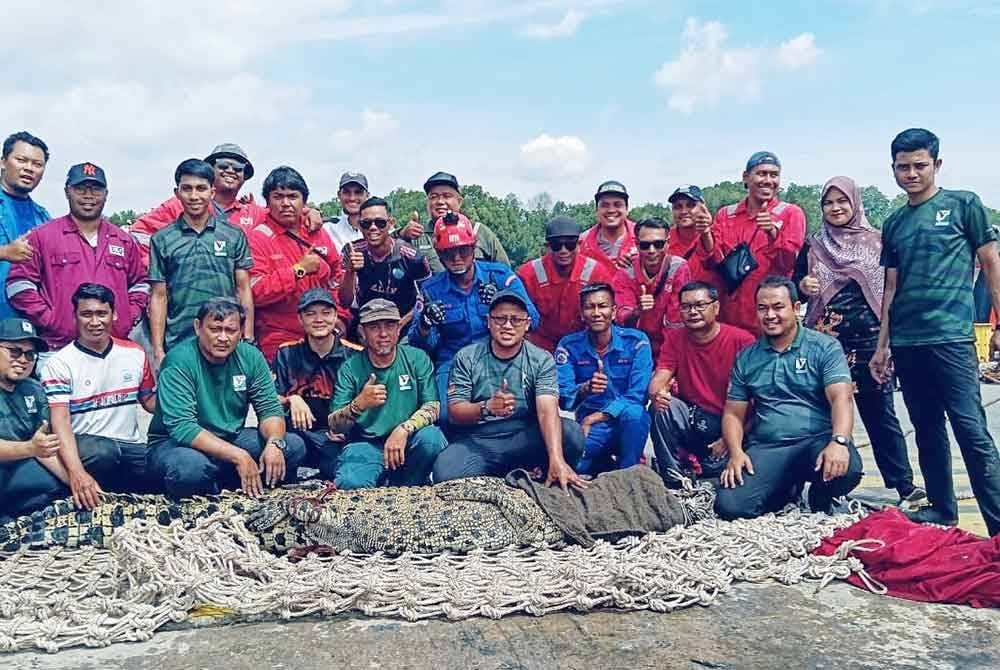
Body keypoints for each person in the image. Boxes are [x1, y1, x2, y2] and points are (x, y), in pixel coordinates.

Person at [871, 128, 1000, 535]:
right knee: (926, 428)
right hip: (908, 342)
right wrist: (882, 346)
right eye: (903, 167)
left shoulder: (964, 205)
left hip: (952, 338)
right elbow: (890, 288)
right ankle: (943, 508)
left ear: (937, 165)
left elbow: (991, 265)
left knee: (970, 429)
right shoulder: (893, 224)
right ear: (893, 169)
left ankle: (997, 522)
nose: (911, 173)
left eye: (919, 166)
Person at [794, 176, 922, 506]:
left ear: (855, 204)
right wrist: (803, 285)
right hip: (824, 341)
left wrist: (889, 343)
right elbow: (794, 285)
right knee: (820, 414)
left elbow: (893, 290)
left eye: (842, 201)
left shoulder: (878, 242)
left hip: (870, 342)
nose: (835, 208)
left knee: (880, 414)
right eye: (828, 202)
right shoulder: (813, 245)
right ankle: (820, 486)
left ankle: (904, 486)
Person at [715, 277, 863, 520]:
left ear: (795, 309)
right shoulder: (747, 357)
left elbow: (842, 399)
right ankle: (785, 489)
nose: (770, 315)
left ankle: (821, 495)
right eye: (763, 308)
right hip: (769, 446)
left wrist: (839, 442)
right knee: (731, 507)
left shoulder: (824, 347)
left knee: (847, 471)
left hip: (816, 441)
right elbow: (733, 413)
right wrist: (736, 452)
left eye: (778, 307)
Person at [147, 298, 306, 498]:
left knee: (292, 446)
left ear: (240, 332)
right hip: (176, 444)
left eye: (230, 331)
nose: (223, 338)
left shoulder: (251, 356)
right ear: (198, 327)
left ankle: (239, 485)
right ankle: (212, 487)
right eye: (215, 329)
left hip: (230, 437)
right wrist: (238, 455)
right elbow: (182, 427)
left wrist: (275, 442)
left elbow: (270, 409)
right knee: (189, 469)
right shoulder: (179, 360)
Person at [432, 290, 586, 490]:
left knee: (572, 433)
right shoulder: (466, 357)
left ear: (527, 324)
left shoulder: (541, 359)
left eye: (515, 320)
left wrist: (556, 457)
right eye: (500, 319)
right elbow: (455, 412)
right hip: (479, 439)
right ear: (488, 321)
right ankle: (508, 475)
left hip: (524, 435)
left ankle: (550, 470)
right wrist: (486, 407)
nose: (507, 326)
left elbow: (547, 410)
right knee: (445, 472)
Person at [6, 162, 148, 355]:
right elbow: (18, 284)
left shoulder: (124, 240)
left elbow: (141, 284)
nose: (88, 195)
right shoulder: (42, 236)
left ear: (106, 194)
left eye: (96, 189)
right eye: (80, 188)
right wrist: (51, 319)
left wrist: (126, 317)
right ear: (67, 192)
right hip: (59, 348)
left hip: (114, 349)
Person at [408, 212, 538, 418]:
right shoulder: (430, 289)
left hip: (501, 356)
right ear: (439, 254)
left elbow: (534, 319)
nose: (457, 258)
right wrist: (425, 322)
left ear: (474, 247)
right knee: (445, 415)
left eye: (464, 250)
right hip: (453, 361)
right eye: (449, 253)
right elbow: (419, 344)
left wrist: (503, 300)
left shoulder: (500, 276)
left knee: (525, 409)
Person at [40, 284, 157, 508]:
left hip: (129, 446)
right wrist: (76, 472)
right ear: (75, 317)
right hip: (87, 447)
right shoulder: (59, 363)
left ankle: (114, 491)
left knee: (164, 464)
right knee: (104, 452)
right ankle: (83, 488)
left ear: (114, 315)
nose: (95, 322)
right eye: (86, 314)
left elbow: (149, 401)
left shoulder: (134, 352)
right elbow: (60, 422)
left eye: (102, 313)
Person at [327, 299, 445, 489]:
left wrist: (404, 429)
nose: (383, 334)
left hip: (408, 439)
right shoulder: (350, 368)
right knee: (349, 482)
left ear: (399, 329)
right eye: (374, 327)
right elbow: (335, 425)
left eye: (390, 325)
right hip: (368, 444)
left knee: (431, 439)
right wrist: (358, 405)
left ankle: (410, 486)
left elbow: (433, 406)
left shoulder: (417, 358)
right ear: (362, 332)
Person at [148, 159, 254, 368]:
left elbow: (243, 289)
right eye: (187, 189)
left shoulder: (233, 235)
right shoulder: (162, 239)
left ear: (212, 192)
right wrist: (158, 350)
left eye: (201, 189)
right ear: (177, 193)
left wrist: (247, 337)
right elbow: (159, 297)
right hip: (179, 343)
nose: (194, 196)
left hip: (226, 340)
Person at [648, 281, 755, 481]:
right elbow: (661, 375)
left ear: (716, 307)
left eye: (700, 305)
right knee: (662, 408)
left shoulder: (742, 341)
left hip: (733, 421)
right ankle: (673, 478)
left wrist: (728, 440)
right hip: (694, 416)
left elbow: (757, 402)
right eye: (686, 307)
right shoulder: (675, 337)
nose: (692, 312)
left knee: (723, 478)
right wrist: (657, 393)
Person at [694, 151, 806, 335]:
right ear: (746, 177)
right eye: (761, 173)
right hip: (729, 317)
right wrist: (705, 232)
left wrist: (772, 233)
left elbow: (789, 265)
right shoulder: (726, 214)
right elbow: (711, 263)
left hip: (769, 320)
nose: (768, 180)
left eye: (774, 175)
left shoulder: (791, 213)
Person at [247, 166, 346, 361]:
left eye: (292, 196)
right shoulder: (256, 237)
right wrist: (298, 270)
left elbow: (337, 277)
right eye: (278, 197)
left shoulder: (317, 231)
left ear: (304, 202)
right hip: (280, 340)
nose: (285, 203)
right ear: (267, 202)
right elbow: (254, 292)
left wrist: (340, 317)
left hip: (324, 335)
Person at [555, 283, 652, 475]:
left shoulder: (636, 342)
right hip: (592, 429)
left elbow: (638, 395)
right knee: (574, 466)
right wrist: (585, 389)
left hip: (623, 423)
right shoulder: (568, 346)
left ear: (614, 311)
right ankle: (602, 462)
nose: (597, 313)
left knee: (636, 414)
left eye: (603, 306)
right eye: (590, 307)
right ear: (582, 314)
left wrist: (594, 417)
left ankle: (628, 473)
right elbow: (564, 400)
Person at [272, 288, 359, 480]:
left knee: (343, 471)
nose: (319, 319)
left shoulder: (354, 355)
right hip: (297, 435)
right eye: (310, 314)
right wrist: (291, 399)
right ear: (300, 319)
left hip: (338, 438)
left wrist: (350, 429)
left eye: (326, 313)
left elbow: (365, 402)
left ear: (336, 316)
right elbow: (269, 399)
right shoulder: (286, 353)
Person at [0, 317, 67, 521]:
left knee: (57, 484)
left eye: (30, 355)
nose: (23, 360)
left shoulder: (34, 389)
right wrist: (30, 448)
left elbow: (42, 447)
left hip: (19, 468)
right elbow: (34, 447)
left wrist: (76, 484)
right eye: (14, 351)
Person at [516, 216, 613, 352]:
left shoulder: (597, 272)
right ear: (547, 246)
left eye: (570, 244)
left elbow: (609, 318)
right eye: (556, 245)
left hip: (583, 348)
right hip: (538, 349)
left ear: (579, 244)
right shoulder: (528, 274)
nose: (563, 250)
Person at [338, 196, 431, 332]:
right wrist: (350, 271)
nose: (373, 228)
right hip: (367, 323)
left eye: (380, 223)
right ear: (359, 225)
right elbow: (344, 302)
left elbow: (427, 297)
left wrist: (400, 324)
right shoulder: (353, 251)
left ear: (391, 223)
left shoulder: (413, 256)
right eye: (366, 223)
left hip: (404, 324)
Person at [398, 171, 510, 273]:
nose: (440, 202)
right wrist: (401, 236)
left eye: (447, 196)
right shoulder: (417, 235)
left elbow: (505, 272)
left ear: (459, 201)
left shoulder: (479, 231)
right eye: (434, 197)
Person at [612, 217, 692, 358]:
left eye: (658, 244)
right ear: (636, 244)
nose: (651, 250)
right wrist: (638, 311)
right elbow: (621, 319)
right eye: (645, 245)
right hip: (634, 348)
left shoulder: (679, 268)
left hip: (671, 346)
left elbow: (676, 321)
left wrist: (667, 360)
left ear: (668, 243)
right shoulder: (625, 273)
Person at [0, 132, 51, 319]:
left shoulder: (43, 217)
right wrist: (4, 252)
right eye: (21, 160)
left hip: (27, 329)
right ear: (3, 162)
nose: (29, 168)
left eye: (37, 164)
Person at [667, 185, 722, 292]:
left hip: (709, 304)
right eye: (678, 207)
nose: (683, 211)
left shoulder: (717, 232)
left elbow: (715, 260)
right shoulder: (664, 240)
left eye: (690, 205)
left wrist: (705, 233)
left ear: (703, 207)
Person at [578, 180, 639, 274]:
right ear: (596, 210)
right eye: (605, 205)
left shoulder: (643, 237)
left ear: (627, 209)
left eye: (617, 205)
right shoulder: (581, 242)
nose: (611, 210)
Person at [322, 172, 369, 252]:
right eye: (346, 192)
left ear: (367, 196)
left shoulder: (378, 228)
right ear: (339, 195)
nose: (352, 198)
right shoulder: (327, 229)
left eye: (358, 192)